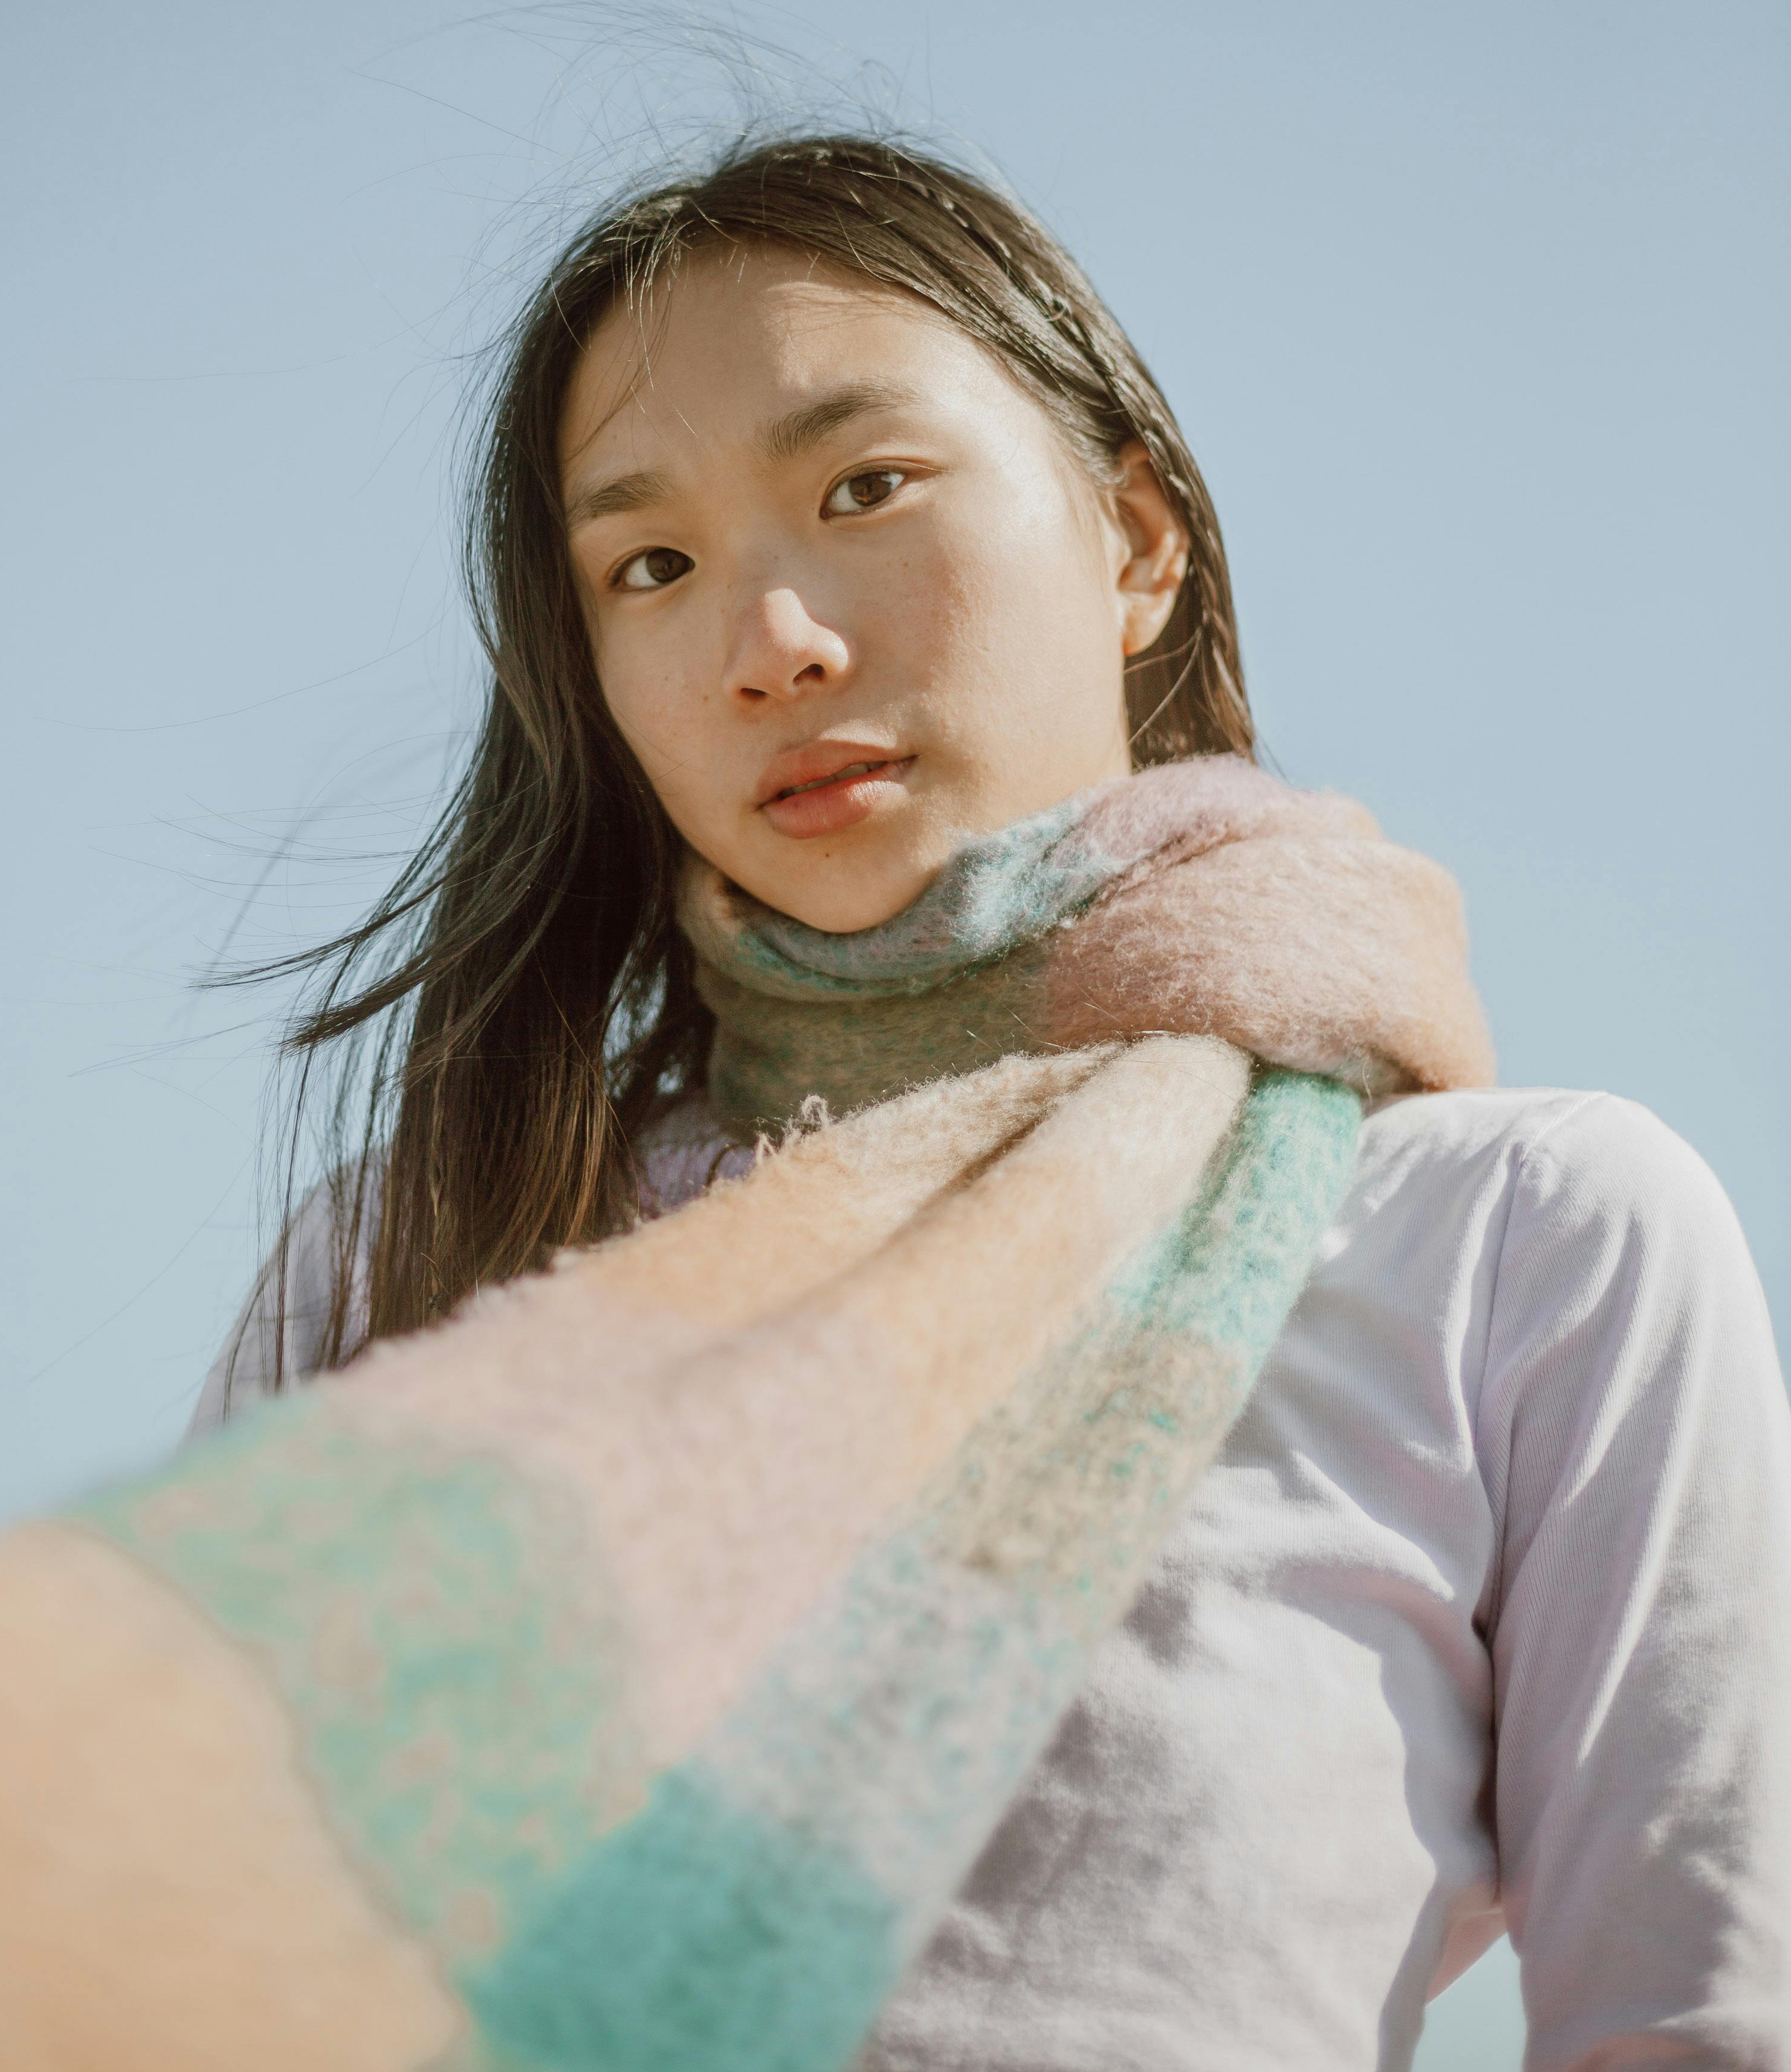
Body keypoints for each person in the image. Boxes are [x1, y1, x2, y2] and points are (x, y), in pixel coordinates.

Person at [184, 131, 1787, 2070]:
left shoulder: (1521, 1239)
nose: (769, 640)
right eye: (651, 562)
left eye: (864, 487)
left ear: (1132, 541)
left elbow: (1695, 2017)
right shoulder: (419, 1252)